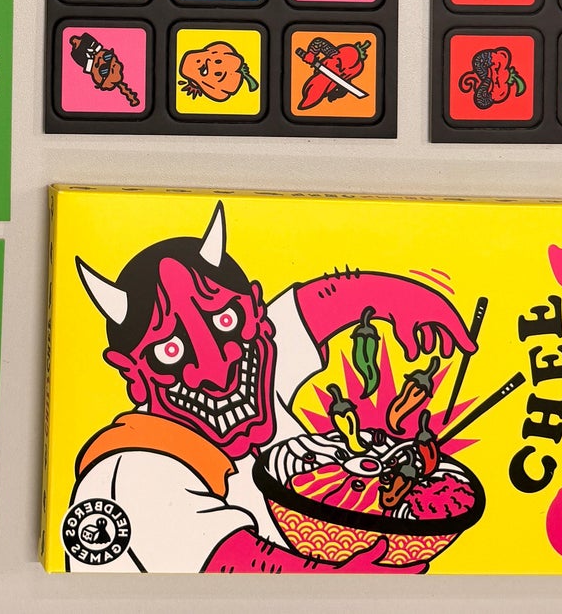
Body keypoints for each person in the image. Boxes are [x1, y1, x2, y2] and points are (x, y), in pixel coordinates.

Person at [62, 202, 474, 573]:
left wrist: (395, 298)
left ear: (255, 311)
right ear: (132, 373)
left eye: (225, 321)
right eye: (171, 350)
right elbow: (235, 563)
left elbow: (315, 306)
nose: (217, 371)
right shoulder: (132, 469)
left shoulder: (253, 370)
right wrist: (350, 580)